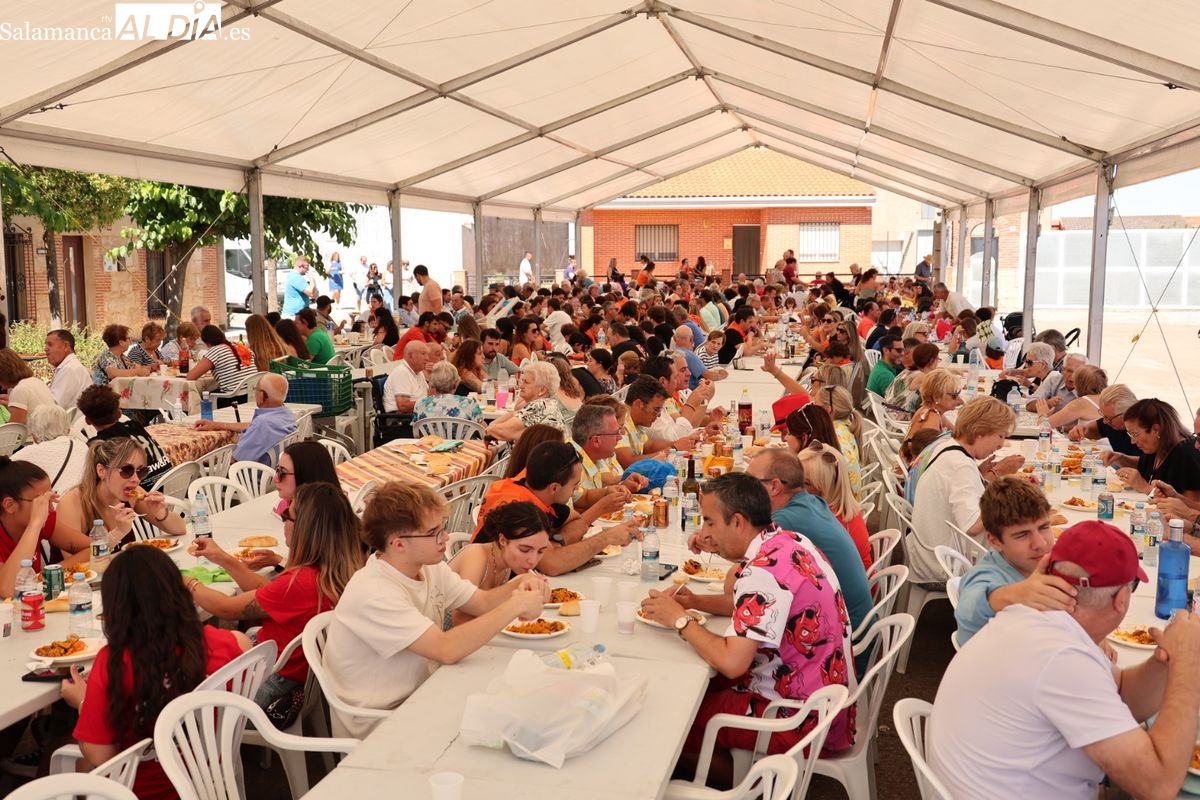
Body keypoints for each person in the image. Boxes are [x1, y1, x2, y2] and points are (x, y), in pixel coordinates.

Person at [929, 520, 1200, 800]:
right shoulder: (1061, 656)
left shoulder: (1041, 618)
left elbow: (1119, 692)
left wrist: (1165, 661)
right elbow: (1158, 786)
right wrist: (1188, 669)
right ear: (1122, 598)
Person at [639, 473, 855, 788]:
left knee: (677, 717)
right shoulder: (787, 540)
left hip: (798, 717)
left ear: (738, 522)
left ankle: (743, 787)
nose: (705, 533)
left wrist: (679, 620)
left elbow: (732, 662)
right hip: (826, 702)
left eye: (710, 522)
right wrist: (697, 601)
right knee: (697, 690)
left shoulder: (763, 573)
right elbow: (759, 608)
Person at [323, 481, 548, 738]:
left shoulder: (428, 567)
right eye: (434, 533)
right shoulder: (376, 593)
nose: (446, 538)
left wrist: (519, 583)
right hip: (381, 721)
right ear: (398, 544)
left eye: (442, 529)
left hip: (424, 692)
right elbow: (446, 650)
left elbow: (482, 602)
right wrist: (515, 604)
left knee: (523, 704)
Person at [62, 547, 251, 800]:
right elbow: (245, 645)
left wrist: (84, 702)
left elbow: (101, 755)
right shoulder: (219, 642)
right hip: (209, 778)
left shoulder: (115, 663)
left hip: (141, 790)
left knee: (63, 753)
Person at [186, 482, 365, 706]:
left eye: (286, 516)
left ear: (304, 527)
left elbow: (225, 608)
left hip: (273, 686)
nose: (283, 521)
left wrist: (185, 581)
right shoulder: (337, 571)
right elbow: (268, 592)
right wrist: (222, 557)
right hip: (301, 675)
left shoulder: (300, 583)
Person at [744, 448, 872, 627]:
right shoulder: (813, 502)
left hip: (846, 636)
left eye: (749, 481)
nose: (744, 488)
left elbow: (741, 572)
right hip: (856, 622)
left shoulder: (787, 519)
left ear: (774, 486)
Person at [472, 440, 637, 575]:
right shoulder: (518, 509)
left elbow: (577, 520)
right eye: (574, 485)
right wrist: (606, 538)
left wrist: (557, 542)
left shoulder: (537, 491)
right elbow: (553, 565)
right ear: (555, 488)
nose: (576, 490)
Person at [908, 397, 1024, 584]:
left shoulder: (947, 446)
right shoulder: (961, 466)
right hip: (942, 567)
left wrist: (980, 476)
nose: (1001, 444)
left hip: (927, 555)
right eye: (1000, 436)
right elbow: (972, 526)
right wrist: (1008, 497)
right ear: (980, 431)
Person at [954, 476, 1074, 645]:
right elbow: (968, 609)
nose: (1039, 543)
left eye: (1044, 527)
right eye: (1022, 535)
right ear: (995, 541)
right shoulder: (988, 574)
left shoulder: (1044, 563)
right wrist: (1010, 595)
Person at [57, 437, 186, 551]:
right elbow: (75, 564)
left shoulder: (133, 495)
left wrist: (161, 513)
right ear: (102, 471)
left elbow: (180, 529)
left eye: (141, 471)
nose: (136, 479)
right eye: (126, 470)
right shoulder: (73, 503)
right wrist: (117, 534)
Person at [450, 501, 551, 625]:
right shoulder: (476, 556)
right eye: (524, 550)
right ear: (503, 540)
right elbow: (460, 620)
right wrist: (514, 587)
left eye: (540, 551)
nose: (533, 560)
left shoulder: (507, 563)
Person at [0, 458, 90, 597]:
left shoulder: (43, 519)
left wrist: (50, 574)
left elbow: (93, 549)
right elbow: (7, 589)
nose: (50, 509)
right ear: (9, 505)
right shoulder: (37, 521)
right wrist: (35, 523)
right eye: (41, 502)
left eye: (50, 499)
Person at [77, 385, 173, 490]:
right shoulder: (135, 426)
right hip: (171, 484)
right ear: (119, 413)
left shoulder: (98, 445)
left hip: (142, 497)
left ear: (87, 421)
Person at [796, 443, 872, 572]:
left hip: (844, 587)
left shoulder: (823, 521)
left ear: (826, 488)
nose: (795, 487)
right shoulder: (843, 509)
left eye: (805, 483)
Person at [194, 373, 296, 465]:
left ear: (261, 396)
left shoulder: (262, 423)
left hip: (250, 479)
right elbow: (252, 425)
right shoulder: (287, 414)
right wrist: (217, 425)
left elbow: (235, 461)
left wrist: (202, 461)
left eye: (256, 389)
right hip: (272, 473)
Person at [1111, 398, 1200, 502]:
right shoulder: (1157, 446)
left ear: (1156, 430)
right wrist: (1120, 458)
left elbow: (1193, 508)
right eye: (1130, 434)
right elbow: (1146, 467)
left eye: (1135, 434)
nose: (1132, 441)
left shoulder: (1186, 455)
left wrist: (1146, 488)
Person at [569, 403, 647, 511]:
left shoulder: (595, 458)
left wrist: (620, 487)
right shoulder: (570, 463)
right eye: (616, 433)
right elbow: (575, 512)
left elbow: (585, 497)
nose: (620, 437)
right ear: (596, 440)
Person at [12, 405, 87, 493]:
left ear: (33, 435)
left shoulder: (25, 455)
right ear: (68, 430)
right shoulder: (81, 446)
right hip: (85, 500)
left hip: (53, 503)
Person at [485, 361, 563, 441]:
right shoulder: (549, 403)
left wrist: (490, 427)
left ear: (542, 390)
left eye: (526, 382)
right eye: (522, 381)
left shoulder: (538, 406)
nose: (521, 386)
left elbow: (496, 431)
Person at [185, 325, 256, 401]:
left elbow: (191, 376)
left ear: (207, 343)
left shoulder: (216, 351)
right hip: (253, 395)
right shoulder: (240, 346)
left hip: (233, 399)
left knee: (204, 397)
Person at [1038, 364, 1107, 431]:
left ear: (1079, 384)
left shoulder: (1080, 403)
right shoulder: (1107, 398)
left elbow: (1044, 426)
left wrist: (1042, 414)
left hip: (1090, 442)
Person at [0, 348, 56, 425]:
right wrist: (12, 402)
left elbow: (14, 431)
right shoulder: (35, 381)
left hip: (36, 436)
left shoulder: (19, 390)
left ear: (4, 374)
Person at [414, 362, 482, 424]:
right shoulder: (469, 403)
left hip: (431, 437)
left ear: (432, 383)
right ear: (456, 384)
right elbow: (482, 428)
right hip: (462, 438)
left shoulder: (420, 404)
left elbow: (417, 430)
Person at [904, 368, 961, 440]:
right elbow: (930, 450)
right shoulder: (931, 419)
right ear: (936, 397)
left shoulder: (932, 410)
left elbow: (957, 433)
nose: (959, 399)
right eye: (954, 395)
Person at [45, 329, 92, 409]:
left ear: (66, 346)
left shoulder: (69, 369)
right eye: (46, 345)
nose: (45, 349)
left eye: (50, 344)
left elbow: (54, 407)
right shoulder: (69, 366)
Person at [383, 340, 429, 413]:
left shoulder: (419, 372)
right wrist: (429, 404)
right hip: (401, 419)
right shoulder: (401, 373)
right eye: (423, 354)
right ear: (410, 355)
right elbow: (403, 406)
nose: (427, 358)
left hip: (418, 414)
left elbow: (428, 394)